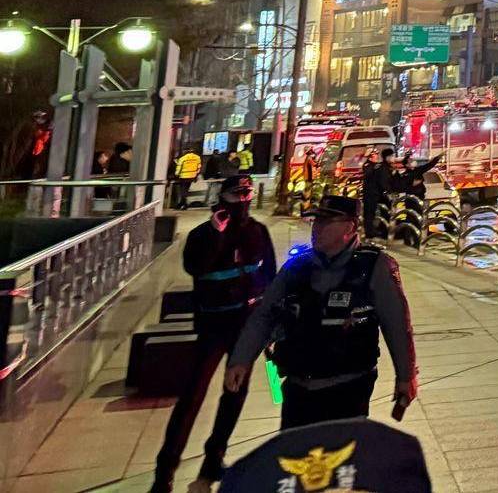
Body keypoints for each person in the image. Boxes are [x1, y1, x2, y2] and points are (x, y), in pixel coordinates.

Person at [225, 195, 417, 430]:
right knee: (294, 458)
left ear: (349, 227)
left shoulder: (374, 266)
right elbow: (265, 315)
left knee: (340, 460)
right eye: (316, 221)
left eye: (326, 222)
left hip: (349, 387)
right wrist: (241, 360)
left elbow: (397, 325)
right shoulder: (297, 267)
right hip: (297, 387)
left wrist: (405, 377)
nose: (317, 228)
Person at [150, 175, 275, 493]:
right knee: (192, 396)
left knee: (235, 395)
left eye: (248, 194)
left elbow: (270, 280)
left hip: (246, 326)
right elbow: (196, 267)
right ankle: (165, 470)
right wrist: (217, 235)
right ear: (224, 198)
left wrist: (271, 328)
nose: (244, 200)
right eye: (238, 194)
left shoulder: (258, 233)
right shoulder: (202, 236)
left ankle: (214, 457)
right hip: (213, 324)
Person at [359, 149, 396, 239]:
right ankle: (369, 232)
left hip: (375, 193)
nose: (376, 156)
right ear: (370, 156)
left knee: (372, 213)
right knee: (369, 214)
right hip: (369, 194)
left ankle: (373, 230)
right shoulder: (367, 165)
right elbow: (368, 174)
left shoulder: (376, 166)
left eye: (376, 155)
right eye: (374, 155)